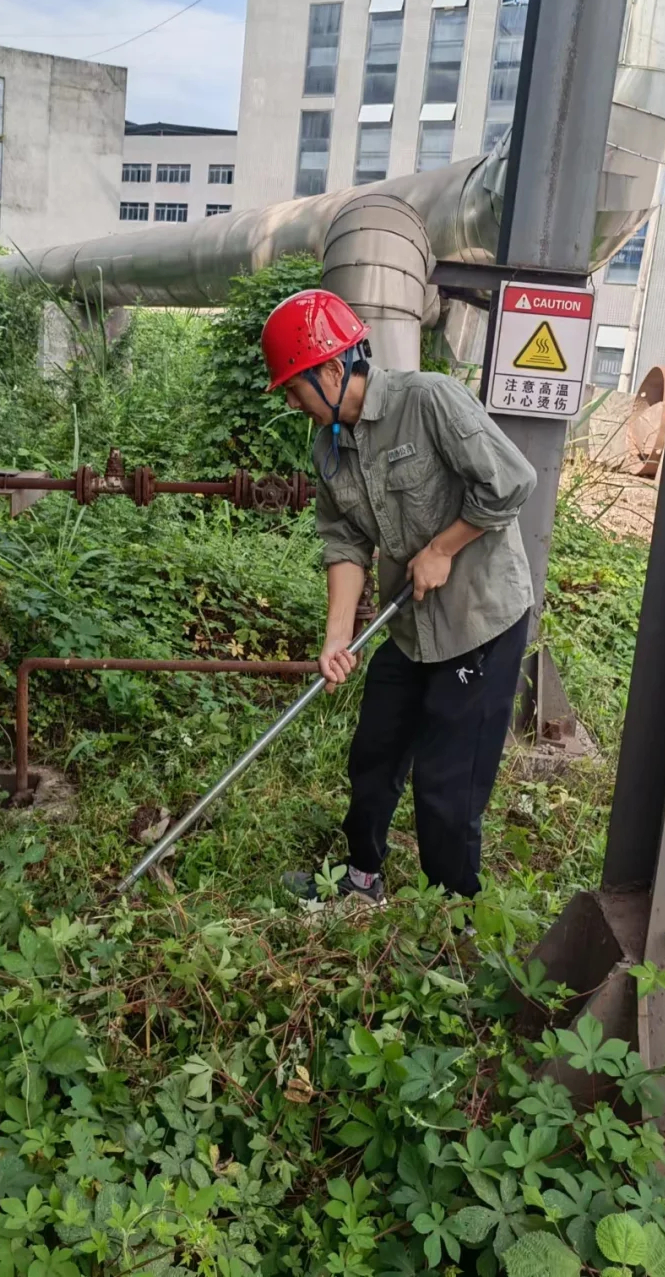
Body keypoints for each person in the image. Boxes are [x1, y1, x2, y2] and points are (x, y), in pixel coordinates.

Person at [261, 289, 537, 905]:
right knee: (374, 753)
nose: (288, 399)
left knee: (446, 784)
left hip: (478, 622)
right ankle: (362, 880)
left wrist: (444, 547)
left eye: (292, 386)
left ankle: (451, 921)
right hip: (410, 627)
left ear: (332, 370)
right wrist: (336, 635)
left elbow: (512, 480)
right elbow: (344, 542)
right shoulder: (327, 444)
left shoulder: (428, 400)